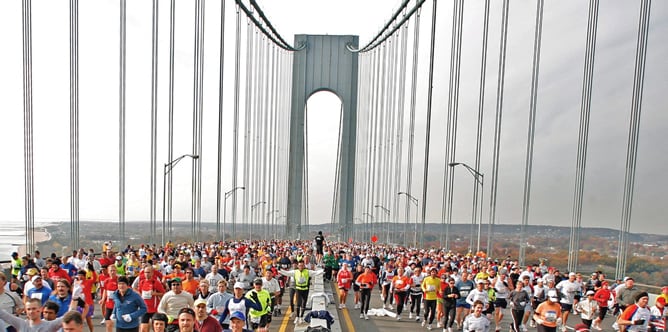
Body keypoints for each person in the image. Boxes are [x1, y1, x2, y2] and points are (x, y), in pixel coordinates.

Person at [277, 260, 323, 325]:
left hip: (305, 289)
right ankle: (297, 317)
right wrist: (280, 270)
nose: (301, 267)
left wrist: (322, 271)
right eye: (299, 265)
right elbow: (287, 273)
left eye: (302, 265)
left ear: (304, 266)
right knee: (298, 304)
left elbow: (315, 273)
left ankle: (301, 317)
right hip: (298, 289)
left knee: (304, 304)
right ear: (298, 266)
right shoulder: (295, 272)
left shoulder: (307, 272)